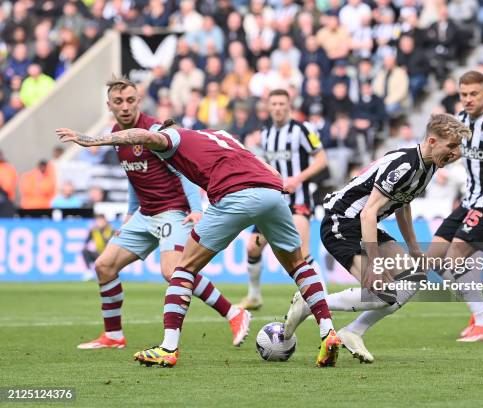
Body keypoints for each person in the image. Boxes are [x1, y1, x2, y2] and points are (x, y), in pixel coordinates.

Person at [56, 121, 340, 368]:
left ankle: (167, 348)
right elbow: (270, 172)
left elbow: (146, 137)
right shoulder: (222, 134)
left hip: (233, 195)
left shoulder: (172, 138)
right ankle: (328, 332)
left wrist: (92, 140)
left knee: (183, 268)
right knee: (299, 265)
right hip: (272, 193)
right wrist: (268, 219)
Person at [342, 71, 483, 360]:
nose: (468, 99)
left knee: (454, 258)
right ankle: (477, 306)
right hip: (467, 202)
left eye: (473, 94)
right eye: (463, 94)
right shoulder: (460, 123)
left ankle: (482, 321)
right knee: (430, 261)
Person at [76, 77, 250, 351]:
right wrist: (129, 216)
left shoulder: (154, 130)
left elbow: (183, 170)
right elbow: (135, 179)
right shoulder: (116, 135)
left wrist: (195, 210)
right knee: (103, 266)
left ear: (139, 101)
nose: (125, 107)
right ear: (109, 105)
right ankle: (113, 335)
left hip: (172, 212)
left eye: (130, 100)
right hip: (145, 214)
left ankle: (234, 313)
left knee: (173, 271)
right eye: (119, 102)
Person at [283, 113, 468, 362]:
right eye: (452, 146)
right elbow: (368, 213)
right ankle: (311, 302)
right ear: (433, 141)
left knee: (414, 277)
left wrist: (414, 250)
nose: (456, 153)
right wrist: (376, 263)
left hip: (362, 225)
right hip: (342, 222)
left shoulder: (429, 165)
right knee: (382, 294)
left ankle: (353, 331)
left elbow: (404, 204)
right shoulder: (405, 164)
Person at [238, 89, 328, 310]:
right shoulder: (266, 133)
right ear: (268, 107)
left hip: (298, 201)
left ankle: (324, 299)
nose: (278, 108)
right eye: (274, 104)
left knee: (302, 252)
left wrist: (298, 178)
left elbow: (322, 159)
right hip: (272, 203)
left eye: (281, 104)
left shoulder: (303, 129)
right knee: (252, 249)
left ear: (289, 106)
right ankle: (254, 296)